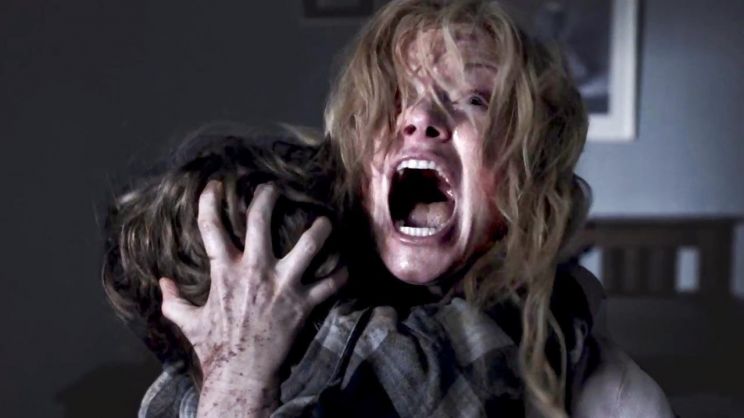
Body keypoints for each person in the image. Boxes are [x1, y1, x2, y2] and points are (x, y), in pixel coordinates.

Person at [129, 0, 676, 417]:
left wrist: (240, 387)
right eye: (393, 99)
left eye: (475, 100)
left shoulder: (613, 398)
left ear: (528, 172)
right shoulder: (266, 329)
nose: (419, 118)